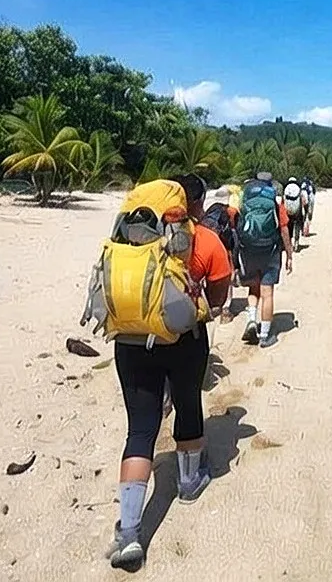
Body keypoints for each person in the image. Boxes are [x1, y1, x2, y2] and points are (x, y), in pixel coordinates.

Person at [105, 176, 232, 569]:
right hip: (184, 340)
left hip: (129, 341)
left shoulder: (127, 241)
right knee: (189, 406)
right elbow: (220, 292)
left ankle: (129, 532)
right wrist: (194, 309)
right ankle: (190, 482)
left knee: (140, 430)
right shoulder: (204, 239)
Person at [237, 171, 293, 348]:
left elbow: (239, 223)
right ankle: (265, 336)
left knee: (254, 287)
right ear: (271, 183)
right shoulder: (276, 201)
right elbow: (284, 229)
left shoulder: (245, 197)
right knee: (267, 292)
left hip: (249, 249)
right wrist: (289, 254)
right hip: (270, 250)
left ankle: (252, 320)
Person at [282, 177, 306, 252]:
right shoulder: (298, 189)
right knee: (297, 225)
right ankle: (296, 242)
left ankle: (289, 243)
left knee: (289, 226)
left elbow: (283, 200)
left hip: (287, 210)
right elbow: (303, 201)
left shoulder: (286, 189)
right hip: (296, 211)